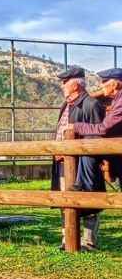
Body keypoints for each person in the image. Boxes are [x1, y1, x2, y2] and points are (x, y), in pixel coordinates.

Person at [50, 67, 105, 251]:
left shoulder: (91, 104)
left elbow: (99, 136)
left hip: (83, 163)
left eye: (65, 82)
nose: (62, 85)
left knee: (89, 202)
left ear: (76, 84)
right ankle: (68, 240)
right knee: (64, 201)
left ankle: (89, 242)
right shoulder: (66, 104)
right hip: (62, 163)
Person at [69, 68, 122, 251]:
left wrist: (77, 127)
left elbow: (104, 128)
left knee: (90, 143)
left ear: (115, 84)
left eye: (104, 82)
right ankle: (83, 184)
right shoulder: (117, 99)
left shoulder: (120, 102)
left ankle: (84, 186)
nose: (100, 86)